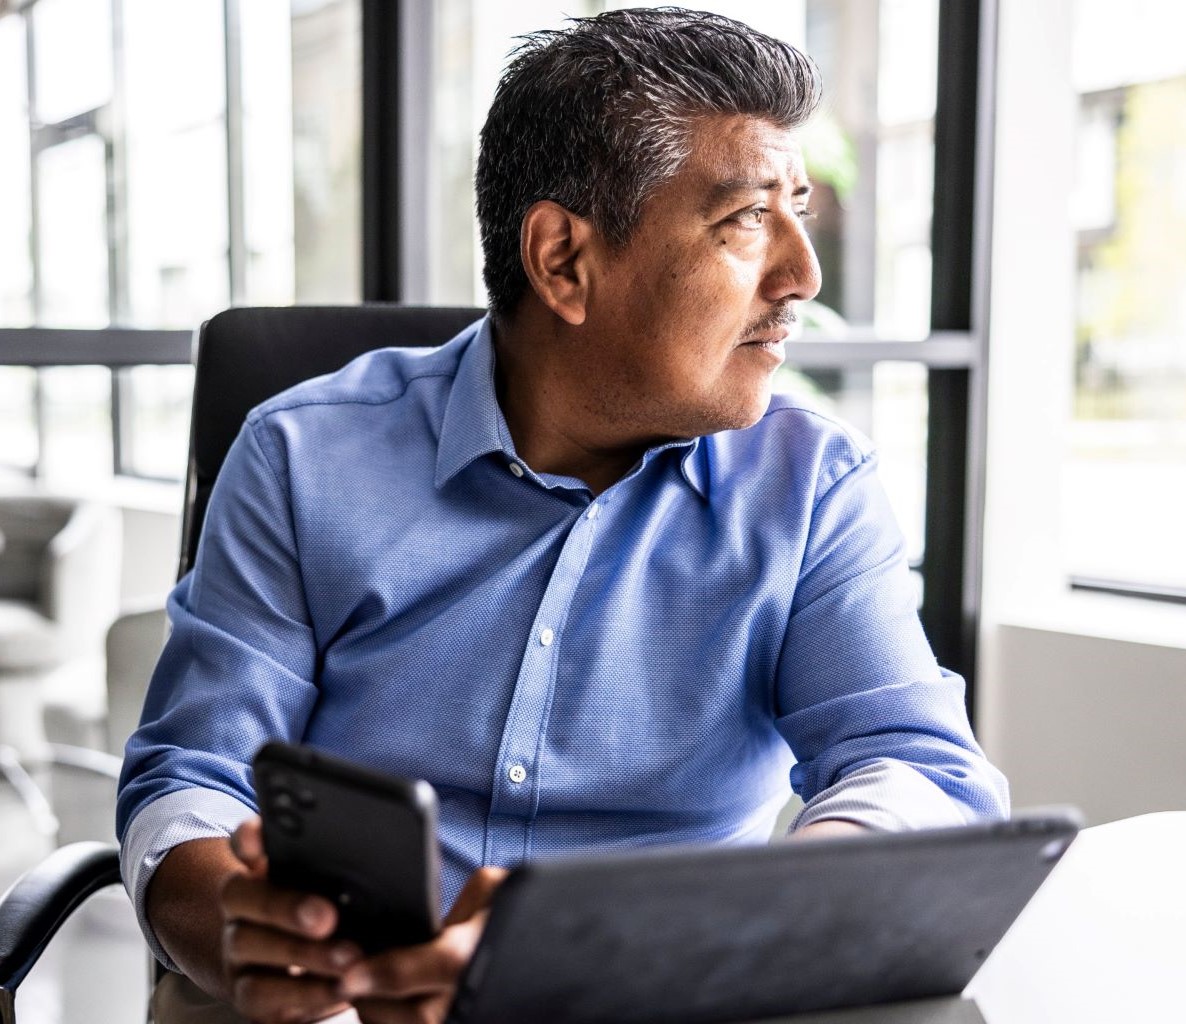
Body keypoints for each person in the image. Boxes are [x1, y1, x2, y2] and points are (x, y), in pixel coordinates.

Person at [117, 8, 1010, 1023]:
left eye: (796, 208)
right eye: (745, 220)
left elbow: (915, 765)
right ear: (562, 260)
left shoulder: (812, 489)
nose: (801, 272)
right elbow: (189, 777)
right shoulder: (302, 457)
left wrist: (719, 926)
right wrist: (240, 920)